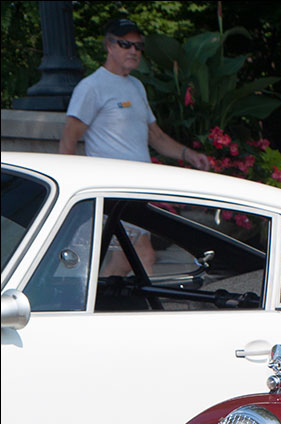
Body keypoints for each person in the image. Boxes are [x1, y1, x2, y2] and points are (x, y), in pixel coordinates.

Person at [60, 17, 211, 272]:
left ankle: (102, 306)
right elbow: (68, 139)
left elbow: (156, 136)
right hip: (114, 191)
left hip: (138, 192)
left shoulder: (136, 86)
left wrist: (190, 155)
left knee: (123, 262)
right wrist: (71, 187)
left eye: (138, 46)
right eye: (125, 44)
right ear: (109, 46)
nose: (133, 51)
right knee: (143, 256)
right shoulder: (91, 87)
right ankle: (145, 310)